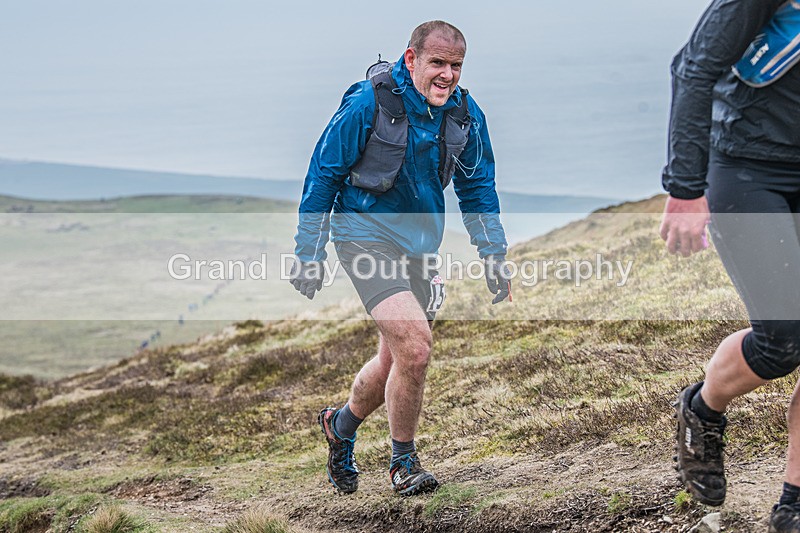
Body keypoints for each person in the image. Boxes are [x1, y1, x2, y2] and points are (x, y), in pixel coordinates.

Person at [289, 20, 511, 496]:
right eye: (437, 63)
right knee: (416, 347)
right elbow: (322, 177)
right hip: (363, 237)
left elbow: (478, 187)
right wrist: (309, 253)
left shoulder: (464, 113)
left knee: (394, 359)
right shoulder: (368, 104)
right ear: (411, 59)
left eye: (456, 65)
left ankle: (340, 425)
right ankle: (402, 463)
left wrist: (493, 254)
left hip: (420, 247)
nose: (447, 74)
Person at [660, 1, 800, 529]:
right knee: (782, 342)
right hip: (748, 166)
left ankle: (793, 504)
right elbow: (693, 68)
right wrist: (685, 188)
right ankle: (703, 408)